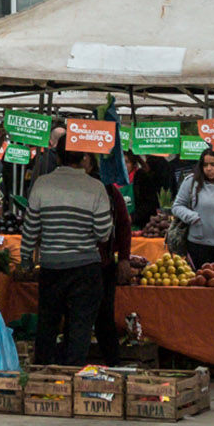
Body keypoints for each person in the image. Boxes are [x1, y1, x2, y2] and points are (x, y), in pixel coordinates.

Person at [20, 140, 114, 366]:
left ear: (58, 157)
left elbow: (30, 229)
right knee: (80, 327)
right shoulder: (95, 187)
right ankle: (74, 374)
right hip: (85, 269)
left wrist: (26, 260)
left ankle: (43, 374)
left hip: (51, 267)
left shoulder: (42, 184)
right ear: (84, 158)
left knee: (47, 325)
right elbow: (103, 234)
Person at [75, 150, 132, 366]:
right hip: (76, 263)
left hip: (102, 263)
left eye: (85, 159)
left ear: (91, 163)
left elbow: (123, 223)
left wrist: (124, 257)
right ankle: (73, 366)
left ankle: (113, 364)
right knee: (77, 318)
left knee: (104, 317)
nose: (82, 163)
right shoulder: (65, 187)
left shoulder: (107, 189)